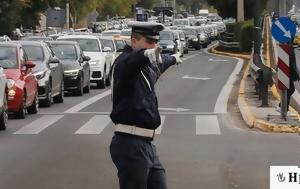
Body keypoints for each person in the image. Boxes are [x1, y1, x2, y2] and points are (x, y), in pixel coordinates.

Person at [109, 21, 182, 189]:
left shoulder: (148, 66)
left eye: (155, 42)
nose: (154, 45)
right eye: (149, 41)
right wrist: (144, 55)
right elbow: (133, 61)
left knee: (159, 183)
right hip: (130, 144)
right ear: (134, 41)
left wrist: (173, 59)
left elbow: (161, 61)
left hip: (147, 144)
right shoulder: (124, 63)